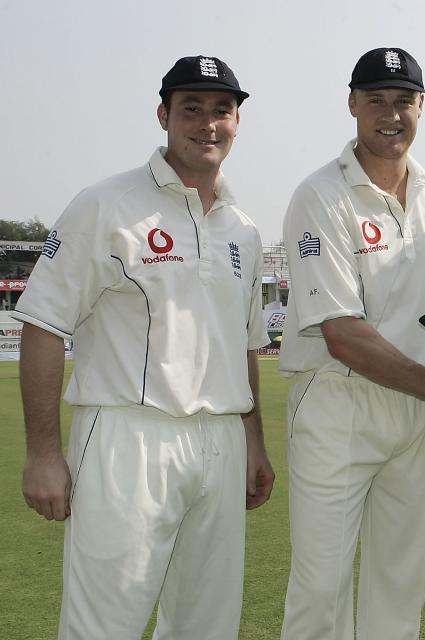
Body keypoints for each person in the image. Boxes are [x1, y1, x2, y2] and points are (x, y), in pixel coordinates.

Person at [16, 55, 274, 639]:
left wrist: (253, 442)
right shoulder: (106, 204)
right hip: (128, 438)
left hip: (221, 442)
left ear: (237, 123)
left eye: (222, 111)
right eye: (191, 109)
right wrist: (42, 453)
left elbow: (246, 347)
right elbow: (42, 323)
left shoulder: (244, 228)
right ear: (163, 114)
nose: (208, 123)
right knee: (104, 626)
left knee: (206, 625)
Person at [278, 47, 425, 640]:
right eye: (376, 100)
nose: (390, 114)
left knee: (400, 584)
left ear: (423, 106)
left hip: (415, 410)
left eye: (403, 101)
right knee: (321, 589)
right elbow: (343, 336)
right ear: (352, 105)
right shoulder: (320, 195)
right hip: (338, 406)